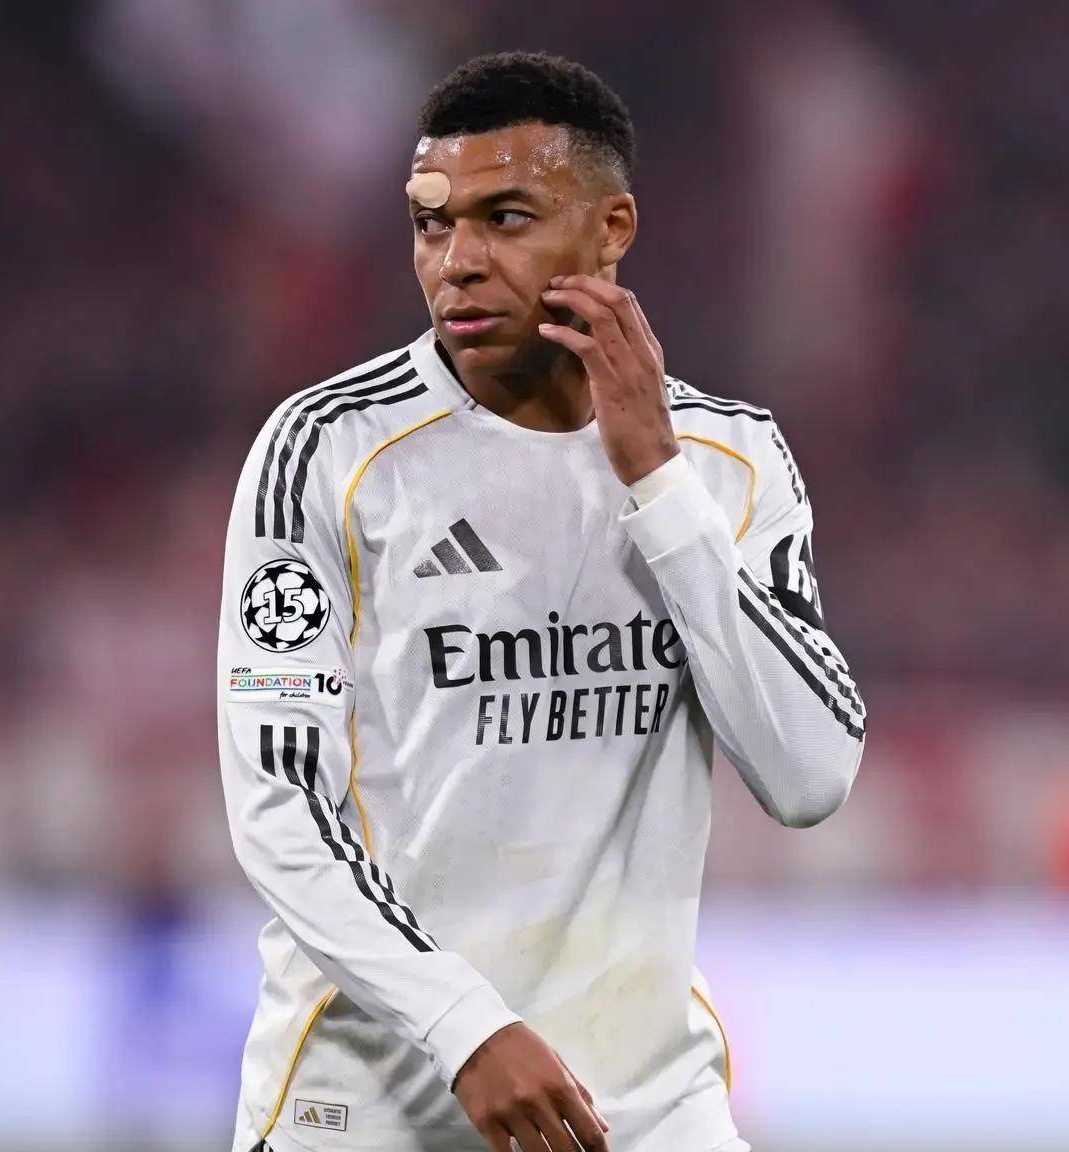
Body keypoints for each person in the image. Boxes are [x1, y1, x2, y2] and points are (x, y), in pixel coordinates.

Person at [218, 50, 865, 1152]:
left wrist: (656, 481)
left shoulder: (729, 461)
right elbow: (281, 807)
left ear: (613, 228)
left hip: (641, 1107)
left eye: (505, 219)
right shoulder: (325, 452)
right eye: (432, 225)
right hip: (378, 1104)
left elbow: (810, 776)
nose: (458, 263)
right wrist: (465, 1028)